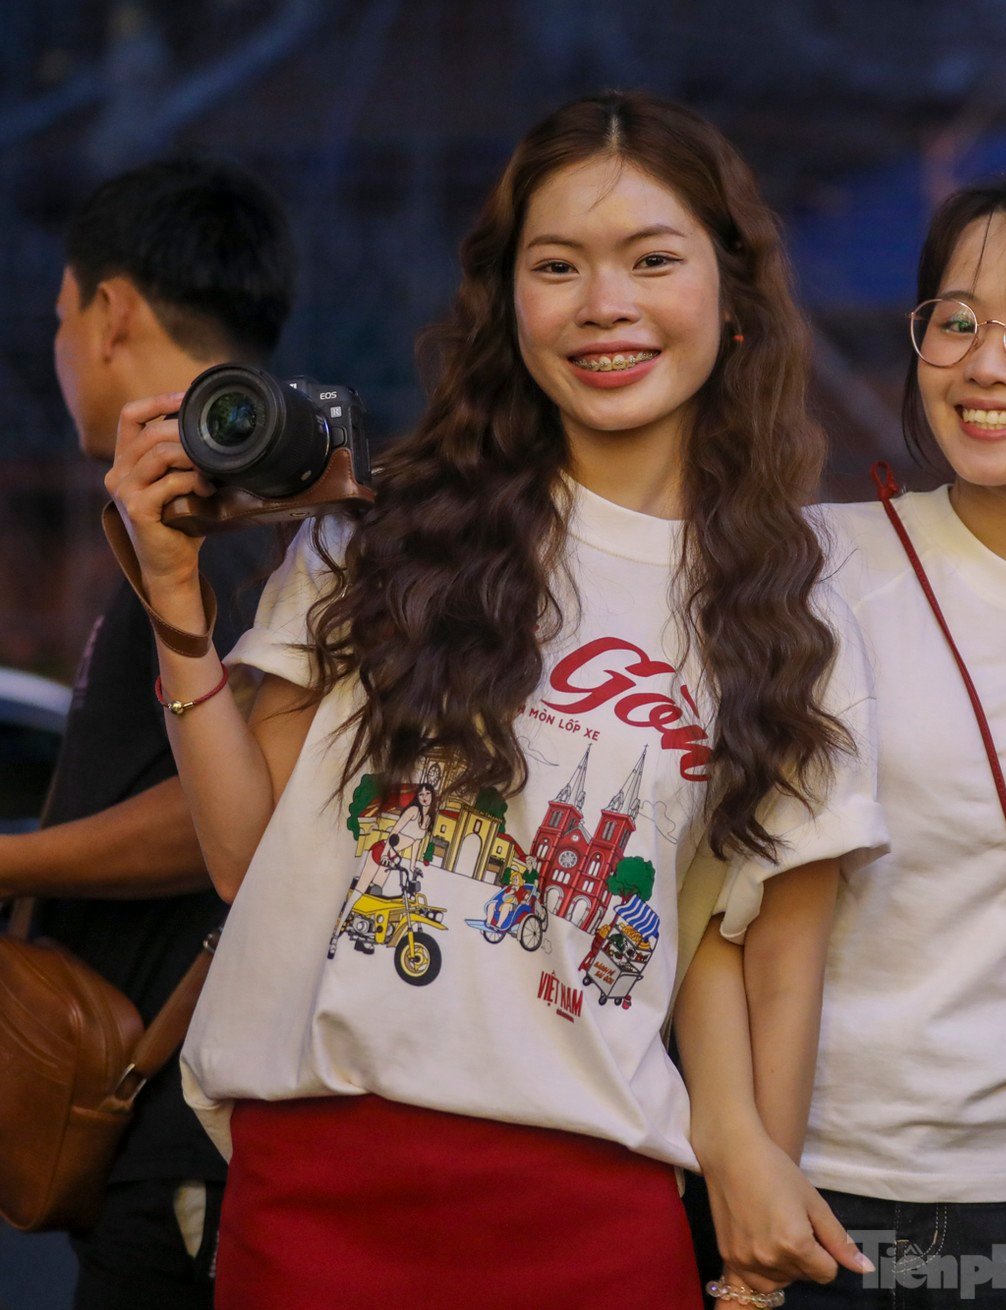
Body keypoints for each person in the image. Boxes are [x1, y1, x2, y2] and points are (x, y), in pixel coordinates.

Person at [102, 91, 884, 1309]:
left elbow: (774, 948)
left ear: (731, 299)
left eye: (652, 260)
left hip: (594, 1212)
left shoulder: (791, 604)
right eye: (557, 264)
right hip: (319, 1188)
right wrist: (175, 603)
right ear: (507, 300)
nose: (603, 305)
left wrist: (753, 1233)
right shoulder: (387, 531)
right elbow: (244, 858)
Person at [686, 159, 1006, 1308]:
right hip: (797, 1190)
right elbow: (702, 898)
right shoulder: (808, 564)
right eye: (957, 321)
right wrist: (736, 1147)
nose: (988, 363)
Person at [0, 156, 293, 1310]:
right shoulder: (232, 498)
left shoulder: (232, 510)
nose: (59, 345)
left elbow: (234, 814)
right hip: (147, 1110)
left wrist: (10, 859)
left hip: (186, 1122)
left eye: (59, 314)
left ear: (111, 310)